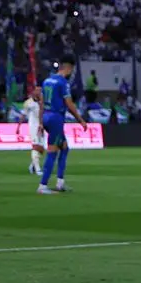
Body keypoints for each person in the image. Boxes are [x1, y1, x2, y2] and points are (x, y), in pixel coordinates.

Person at [38, 56, 89, 194]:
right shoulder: (63, 83)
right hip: (56, 118)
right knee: (52, 152)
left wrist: (41, 122)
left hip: (47, 116)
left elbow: (41, 102)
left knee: (64, 148)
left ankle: (60, 183)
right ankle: (43, 186)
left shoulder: (47, 80)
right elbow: (69, 104)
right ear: (69, 68)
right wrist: (81, 120)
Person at [16, 85, 45, 175]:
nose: (39, 92)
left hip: (42, 127)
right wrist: (18, 127)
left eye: (40, 91)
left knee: (41, 149)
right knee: (35, 147)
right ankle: (37, 169)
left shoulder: (43, 102)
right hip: (33, 127)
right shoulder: (28, 103)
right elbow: (23, 115)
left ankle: (32, 166)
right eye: (37, 90)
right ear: (33, 92)